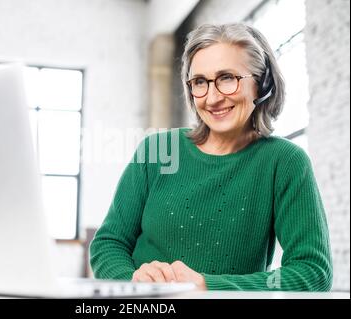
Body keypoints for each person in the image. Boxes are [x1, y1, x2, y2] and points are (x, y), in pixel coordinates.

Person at [89, 23, 332, 291]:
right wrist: (133, 282)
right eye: (200, 82)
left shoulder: (284, 162)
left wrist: (208, 287)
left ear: (261, 84)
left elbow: (313, 272)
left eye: (227, 78)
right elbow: (108, 244)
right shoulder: (156, 150)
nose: (213, 97)